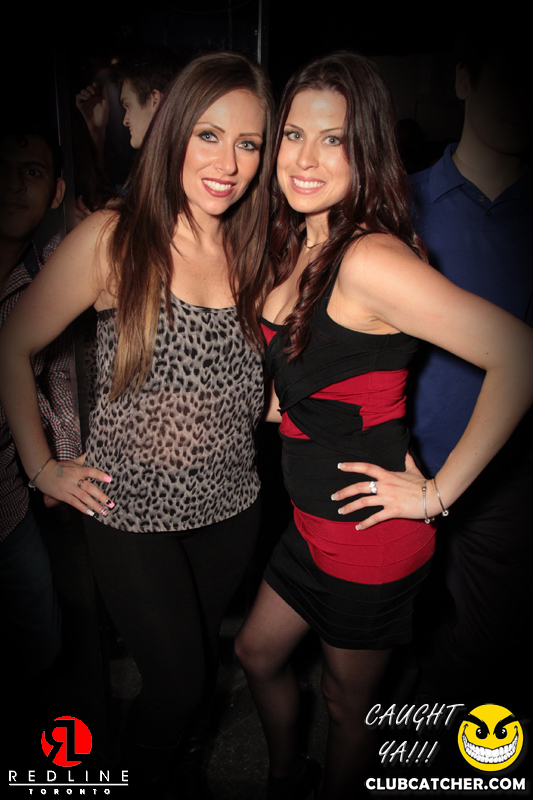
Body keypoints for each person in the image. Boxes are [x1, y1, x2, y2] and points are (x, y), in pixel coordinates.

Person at [234, 51, 533, 800]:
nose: (304, 158)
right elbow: (317, 375)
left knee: (347, 707)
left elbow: (518, 355)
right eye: (293, 134)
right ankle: (285, 777)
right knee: (257, 654)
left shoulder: (368, 256)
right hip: (309, 525)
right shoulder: (299, 239)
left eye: (331, 139)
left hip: (368, 546)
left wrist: (435, 495)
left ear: (364, 147)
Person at [0, 51, 274, 799]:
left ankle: (172, 765)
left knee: (195, 667)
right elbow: (13, 343)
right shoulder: (115, 238)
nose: (228, 163)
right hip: (131, 515)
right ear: (174, 130)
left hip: (232, 508)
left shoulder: (254, 245)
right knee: (179, 684)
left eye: (248, 143)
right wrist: (42, 465)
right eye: (209, 134)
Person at [407, 26, 533, 705]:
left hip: (507, 481)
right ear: (464, 79)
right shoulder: (398, 205)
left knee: (482, 656)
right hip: (402, 466)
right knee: (391, 640)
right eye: (507, 77)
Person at [0, 122, 81, 763]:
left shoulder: (46, 277)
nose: (13, 184)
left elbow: (55, 377)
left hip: (8, 506)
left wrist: (57, 466)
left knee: (42, 642)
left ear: (54, 191)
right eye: (3, 167)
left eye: (31, 172)